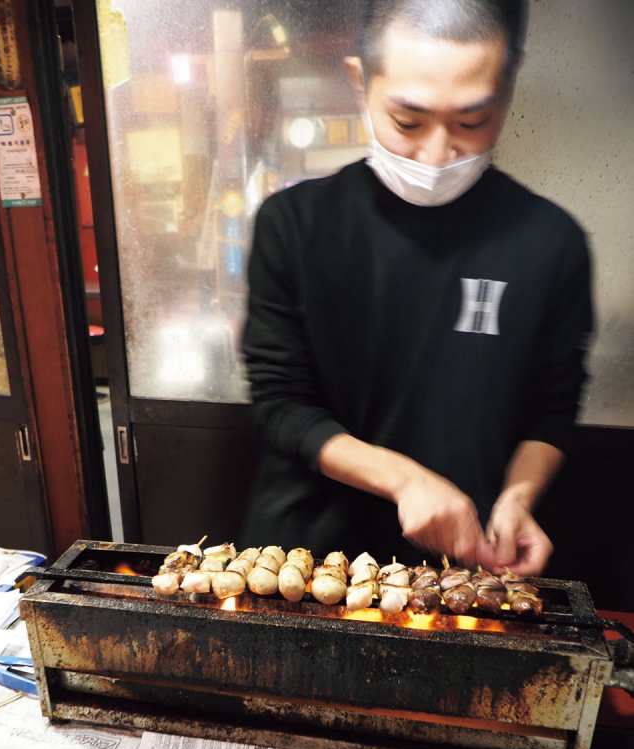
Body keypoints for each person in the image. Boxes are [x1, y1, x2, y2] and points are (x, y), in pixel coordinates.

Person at [241, 0, 592, 574]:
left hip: (468, 569)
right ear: (361, 80)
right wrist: (405, 479)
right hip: (306, 564)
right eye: (407, 121)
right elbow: (281, 405)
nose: (437, 153)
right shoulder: (295, 225)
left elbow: (553, 407)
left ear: (505, 91)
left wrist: (519, 497)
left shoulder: (551, 242)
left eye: (471, 122)